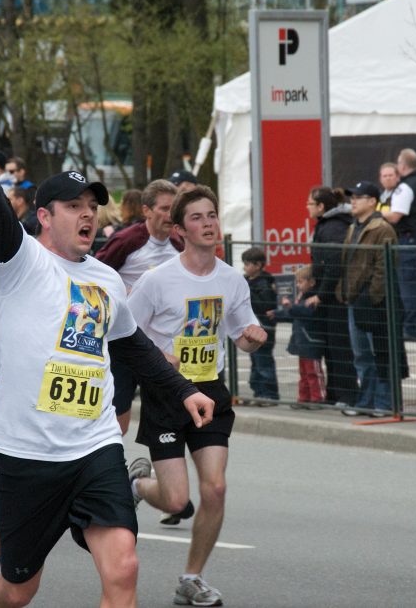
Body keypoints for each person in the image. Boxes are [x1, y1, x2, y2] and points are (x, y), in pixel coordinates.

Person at [0, 81, 214, 608]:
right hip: (27, 456)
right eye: (73, 205)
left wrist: (183, 388)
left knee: (123, 567)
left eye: (93, 206)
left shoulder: (103, 279)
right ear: (44, 217)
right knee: (16, 589)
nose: (88, 215)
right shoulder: (19, 262)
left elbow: (133, 347)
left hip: (94, 445)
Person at [129, 185, 266, 607]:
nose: (208, 224)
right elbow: (126, 334)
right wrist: (159, 357)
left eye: (212, 215)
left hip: (209, 391)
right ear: (179, 229)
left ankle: (192, 577)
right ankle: (137, 484)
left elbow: (243, 334)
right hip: (167, 395)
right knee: (175, 499)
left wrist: (254, 338)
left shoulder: (231, 279)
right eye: (197, 218)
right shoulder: (157, 280)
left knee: (217, 488)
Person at [94, 179, 183, 435]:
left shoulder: (180, 245)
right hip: (124, 341)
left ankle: (160, 467)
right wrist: (124, 292)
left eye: (174, 208)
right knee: (119, 414)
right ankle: (112, 463)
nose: (170, 215)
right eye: (164, 208)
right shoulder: (127, 241)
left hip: (161, 344)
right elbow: (94, 276)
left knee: (164, 410)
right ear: (146, 210)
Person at [338, 181, 404, 416]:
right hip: (355, 299)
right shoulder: (353, 226)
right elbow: (349, 263)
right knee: (361, 354)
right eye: (352, 197)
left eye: (358, 197)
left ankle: (384, 403)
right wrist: (344, 292)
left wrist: (373, 296)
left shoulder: (382, 228)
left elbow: (383, 266)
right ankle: (366, 401)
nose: (352, 201)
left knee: (381, 353)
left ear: (372, 201)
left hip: (373, 302)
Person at [305, 186, 358, 406]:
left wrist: (322, 293)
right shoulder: (327, 225)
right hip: (329, 296)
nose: (306, 207)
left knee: (340, 347)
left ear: (321, 206)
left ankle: (347, 395)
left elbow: (333, 264)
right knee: (331, 347)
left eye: (309, 203)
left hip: (335, 298)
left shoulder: (333, 227)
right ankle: (335, 393)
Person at [383, 148, 416, 341]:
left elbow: (396, 216)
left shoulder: (405, 187)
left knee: (411, 285)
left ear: (402, 166)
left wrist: (376, 213)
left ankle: (412, 330)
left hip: (411, 240)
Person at [272, 265, 325, 408]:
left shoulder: (312, 299)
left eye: (300, 282)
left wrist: (290, 307)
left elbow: (305, 312)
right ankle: (304, 398)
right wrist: (277, 314)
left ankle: (317, 398)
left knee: (313, 372)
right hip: (301, 340)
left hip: (311, 340)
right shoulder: (301, 297)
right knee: (303, 372)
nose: (297, 285)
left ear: (311, 282)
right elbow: (293, 314)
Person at [241, 246, 279, 404]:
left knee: (264, 360)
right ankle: (258, 392)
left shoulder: (264, 283)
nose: (245, 267)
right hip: (252, 326)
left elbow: (264, 305)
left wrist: (247, 292)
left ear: (258, 265)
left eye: (248, 264)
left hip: (264, 327)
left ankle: (269, 394)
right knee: (256, 360)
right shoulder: (247, 281)